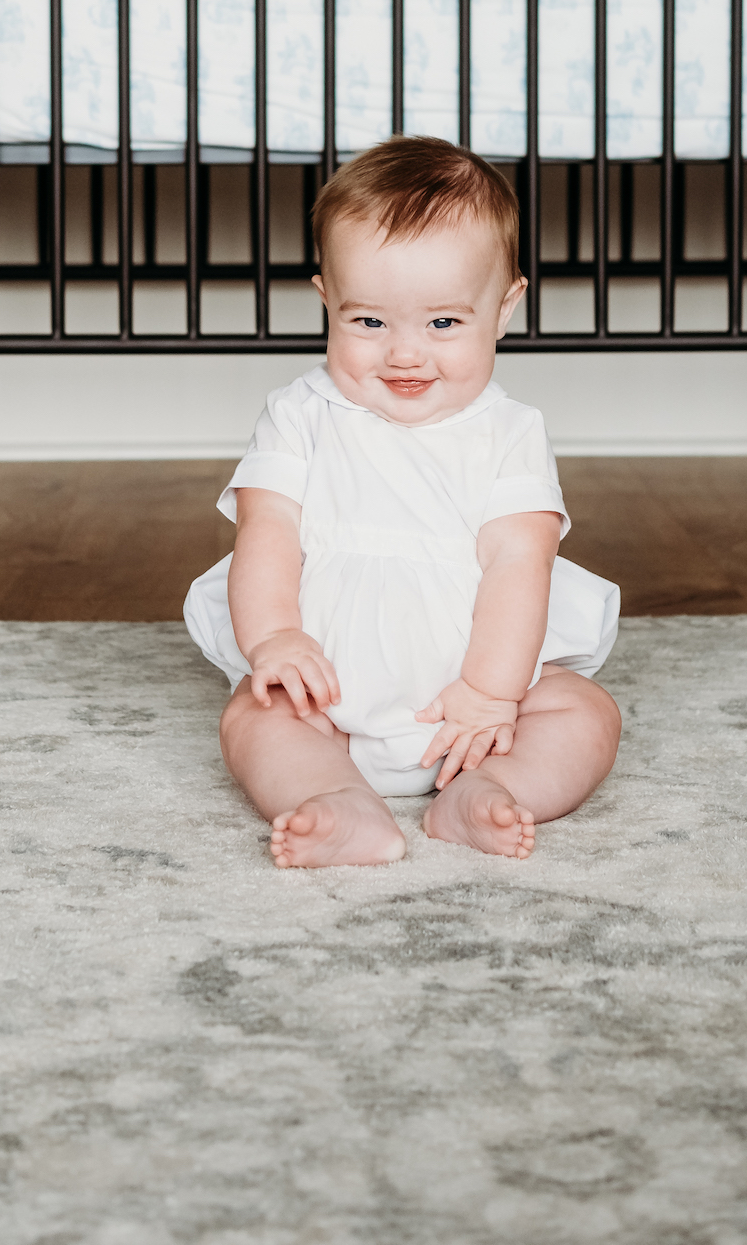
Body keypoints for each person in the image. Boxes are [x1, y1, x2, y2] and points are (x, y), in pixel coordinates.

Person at [184, 136, 621, 868]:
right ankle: (335, 799)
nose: (405, 354)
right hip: (328, 692)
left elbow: (520, 561)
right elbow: (268, 532)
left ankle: (484, 792)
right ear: (326, 299)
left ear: (505, 306)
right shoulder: (298, 415)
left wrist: (489, 692)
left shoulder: (510, 432)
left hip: (477, 705)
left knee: (584, 714)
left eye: (443, 323)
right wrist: (273, 641)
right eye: (369, 322)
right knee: (254, 720)